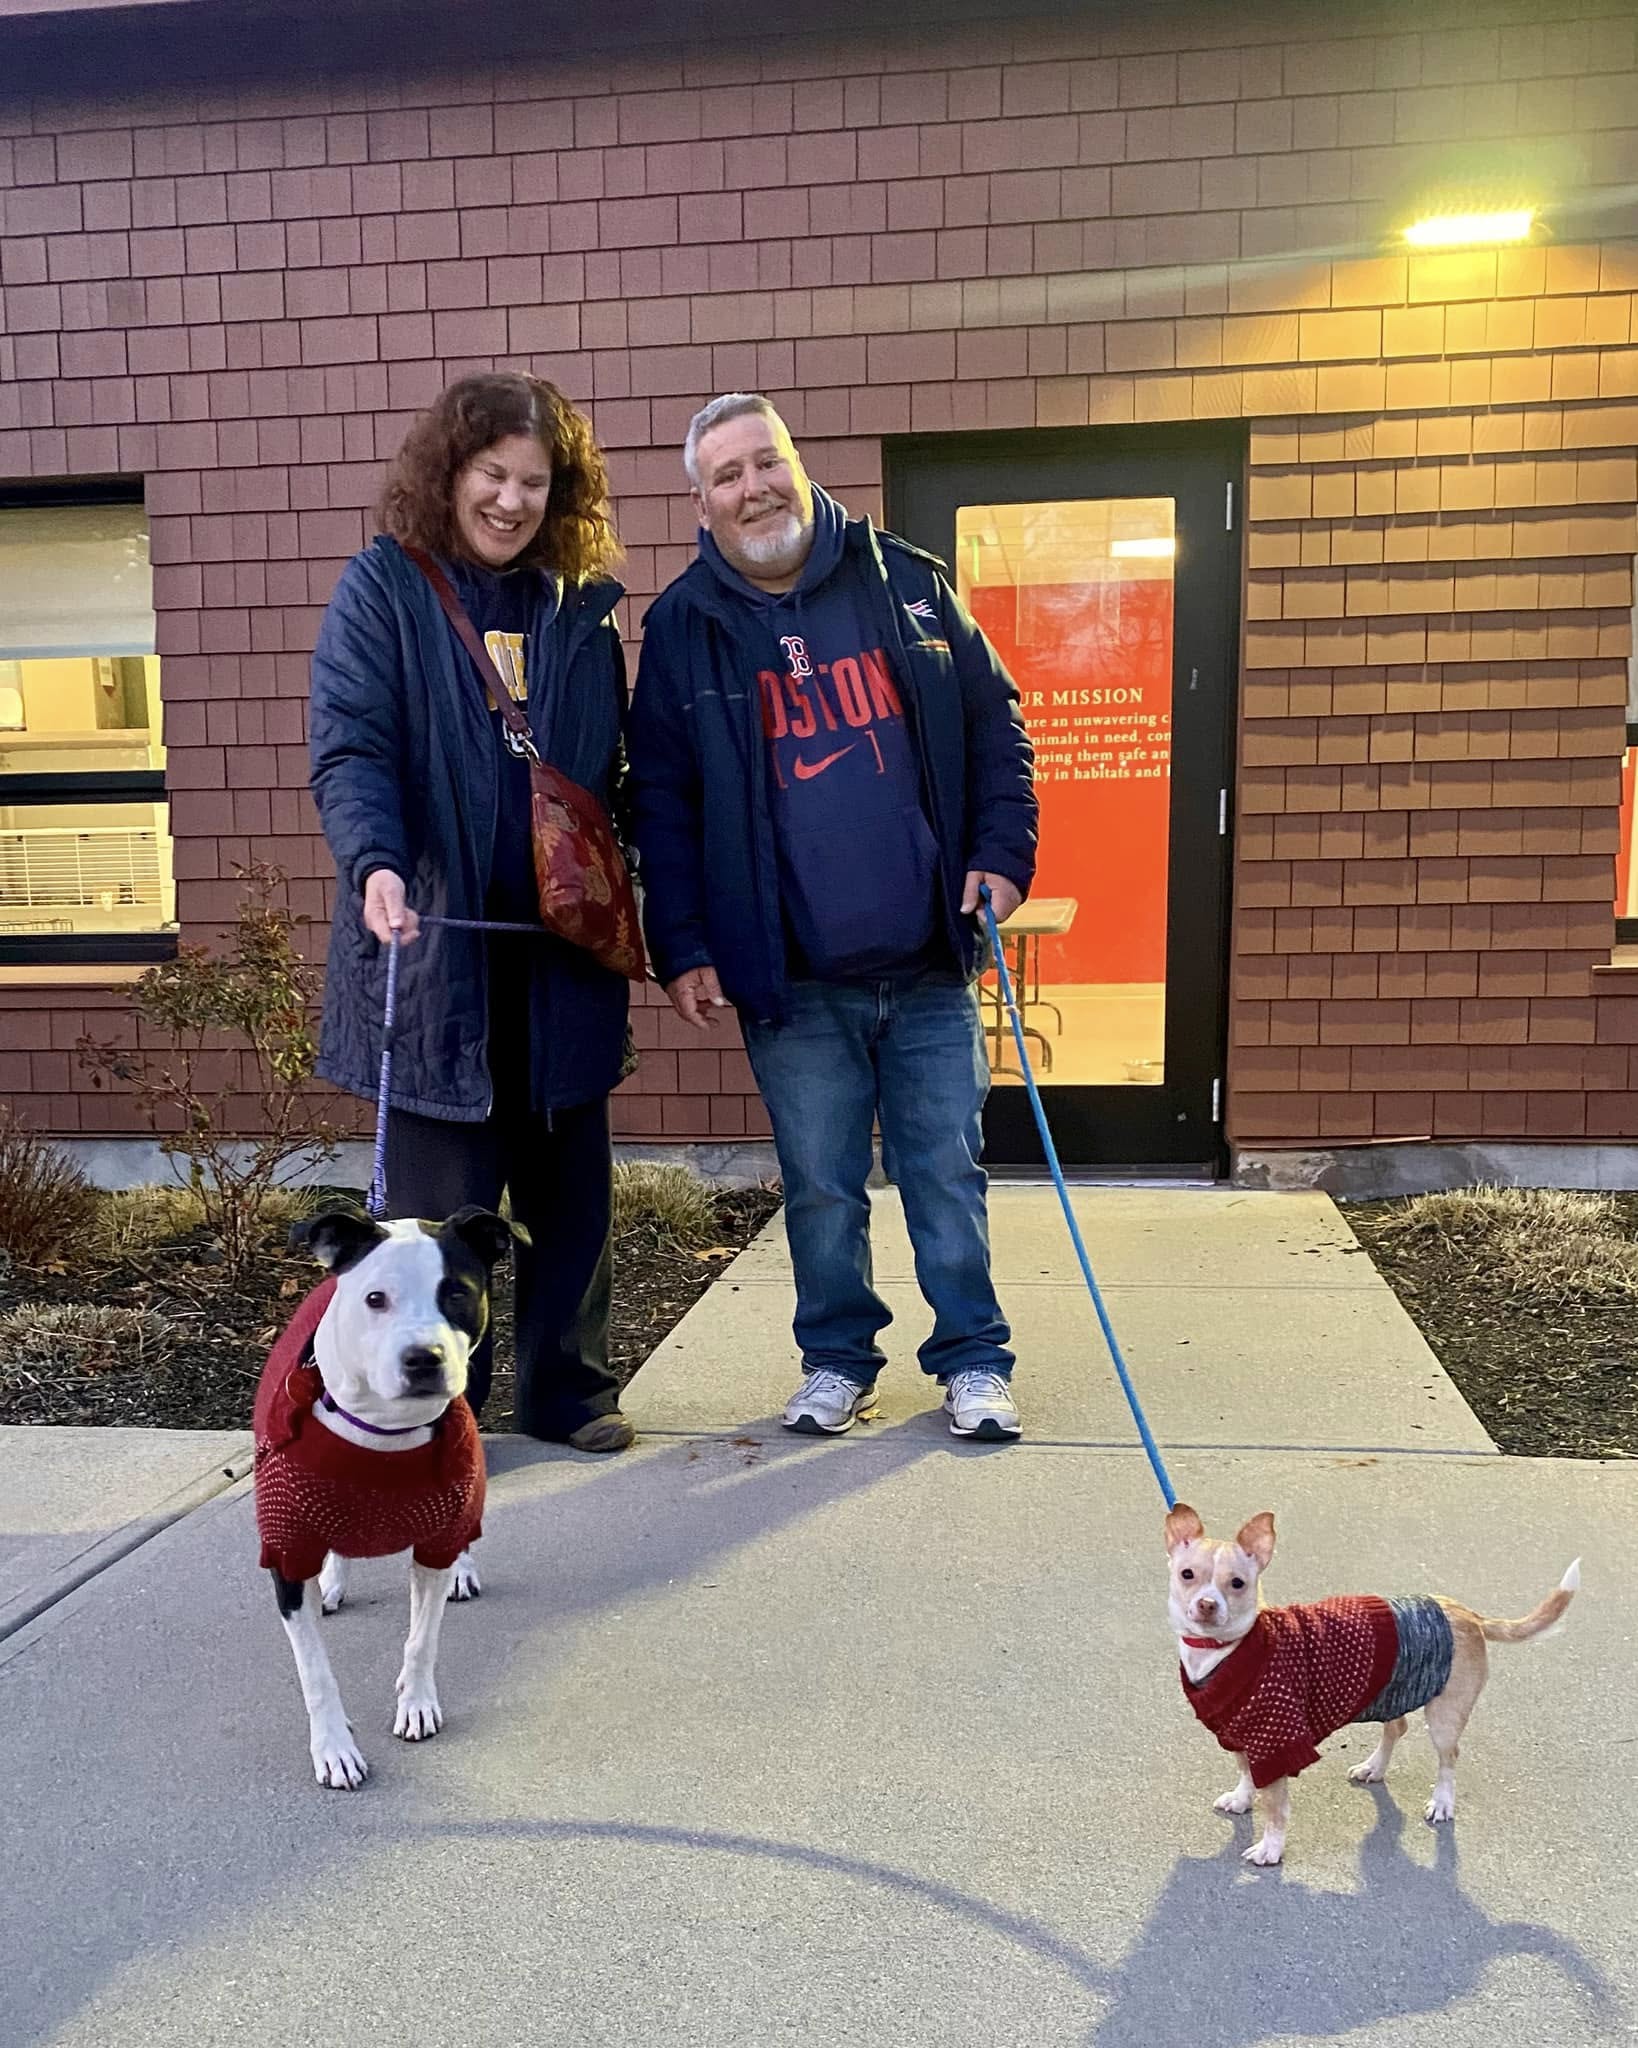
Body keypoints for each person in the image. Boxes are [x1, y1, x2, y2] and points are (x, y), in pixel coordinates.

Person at [628, 393, 1037, 1441]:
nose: (754, 485)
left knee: (946, 1166)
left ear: (798, 464)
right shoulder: (680, 629)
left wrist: (1001, 855)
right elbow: (662, 804)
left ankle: (974, 1360)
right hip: (792, 976)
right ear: (701, 500)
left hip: (929, 958)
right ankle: (838, 1361)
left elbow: (997, 727)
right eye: (728, 473)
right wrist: (680, 945)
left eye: (767, 461)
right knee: (820, 1184)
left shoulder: (906, 580)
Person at [308, 371, 637, 1453]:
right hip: (434, 951)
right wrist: (375, 865)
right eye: (492, 473)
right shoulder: (385, 588)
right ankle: (445, 1413)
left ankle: (571, 1392)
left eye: (535, 481)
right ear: (450, 473)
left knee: (569, 1194)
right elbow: (352, 746)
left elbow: (616, 773)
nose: (511, 499)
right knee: (439, 1223)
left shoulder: (580, 606)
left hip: (560, 955)